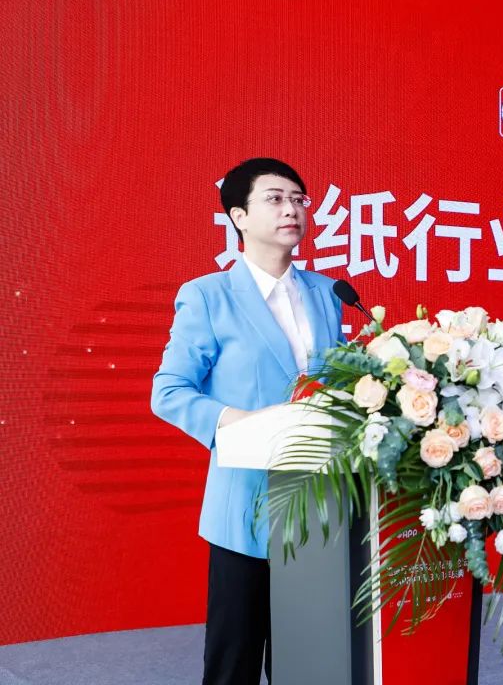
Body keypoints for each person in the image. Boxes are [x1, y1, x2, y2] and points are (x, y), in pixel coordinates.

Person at [150, 158, 343, 685]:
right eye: (275, 199)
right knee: (232, 666)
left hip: (321, 506)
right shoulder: (208, 295)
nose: (292, 210)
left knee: (307, 665)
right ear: (238, 216)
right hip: (247, 507)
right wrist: (236, 420)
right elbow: (169, 392)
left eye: (299, 199)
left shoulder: (329, 294)